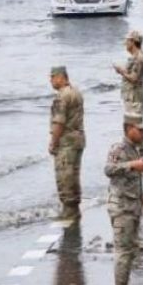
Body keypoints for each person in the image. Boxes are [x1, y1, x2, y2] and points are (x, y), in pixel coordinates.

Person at [105, 113, 143, 285]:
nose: (142, 133)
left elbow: (136, 179)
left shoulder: (136, 149)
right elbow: (108, 169)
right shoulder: (119, 148)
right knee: (123, 253)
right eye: (139, 129)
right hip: (122, 207)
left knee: (130, 250)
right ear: (128, 129)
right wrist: (133, 165)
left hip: (133, 206)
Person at [49, 66, 85, 221]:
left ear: (61, 77)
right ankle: (74, 208)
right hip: (78, 139)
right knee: (74, 175)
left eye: (52, 77)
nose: (50, 81)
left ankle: (69, 210)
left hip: (66, 142)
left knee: (65, 176)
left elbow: (59, 123)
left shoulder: (61, 97)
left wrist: (53, 142)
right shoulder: (76, 92)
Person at [114, 30, 143, 116]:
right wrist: (122, 70)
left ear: (133, 42)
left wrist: (121, 72)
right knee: (132, 124)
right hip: (131, 95)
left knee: (134, 124)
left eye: (127, 41)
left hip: (134, 96)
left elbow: (134, 78)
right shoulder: (136, 56)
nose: (126, 44)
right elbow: (133, 72)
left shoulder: (139, 57)